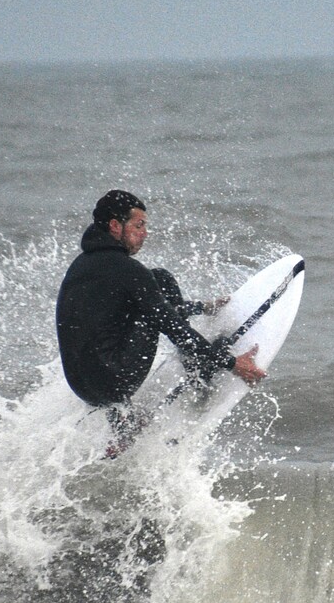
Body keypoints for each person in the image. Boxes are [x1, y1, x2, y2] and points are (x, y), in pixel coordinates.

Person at [56, 190, 266, 447]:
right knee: (155, 306)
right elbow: (171, 325)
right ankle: (200, 366)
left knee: (158, 280)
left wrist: (200, 307)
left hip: (82, 387)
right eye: (138, 225)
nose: (144, 233)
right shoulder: (129, 271)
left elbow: (106, 330)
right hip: (114, 384)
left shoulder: (80, 267)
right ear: (115, 226)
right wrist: (232, 363)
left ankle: (123, 423)